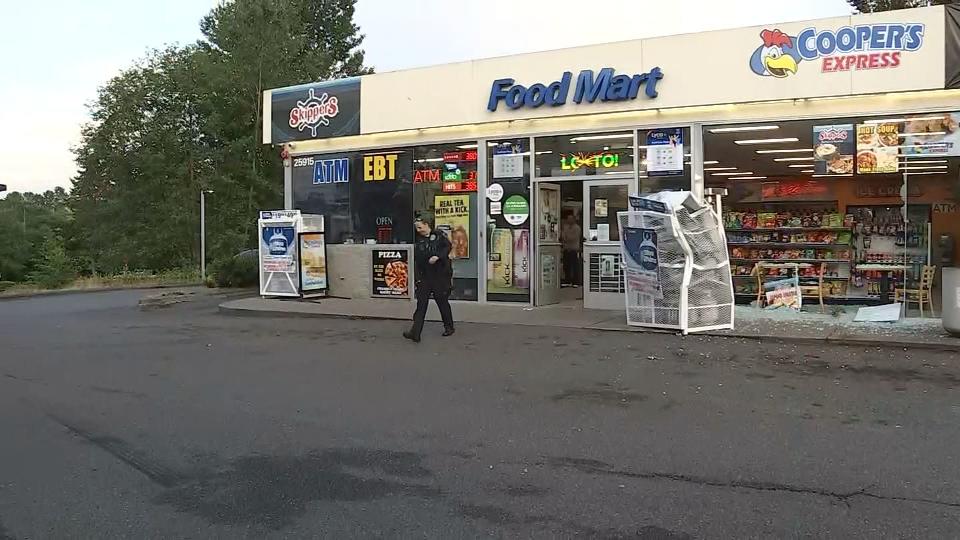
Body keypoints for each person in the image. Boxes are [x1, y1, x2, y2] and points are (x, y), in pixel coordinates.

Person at [403, 217, 455, 342]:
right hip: (425, 276)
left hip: (440, 276)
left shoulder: (438, 236)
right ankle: (415, 332)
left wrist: (438, 256)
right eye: (416, 228)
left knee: (442, 302)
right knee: (421, 304)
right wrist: (417, 278)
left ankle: (449, 327)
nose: (418, 230)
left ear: (426, 225)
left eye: (420, 227)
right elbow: (417, 260)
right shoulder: (419, 240)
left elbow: (447, 247)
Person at [561, 212, 582, 287]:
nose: (569, 220)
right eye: (568, 219)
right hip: (566, 249)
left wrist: (566, 237)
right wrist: (565, 237)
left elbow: (573, 238)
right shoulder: (565, 227)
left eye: (570, 219)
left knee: (575, 266)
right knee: (566, 266)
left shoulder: (577, 228)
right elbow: (562, 236)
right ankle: (567, 281)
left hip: (574, 249)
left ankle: (576, 282)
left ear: (574, 219)